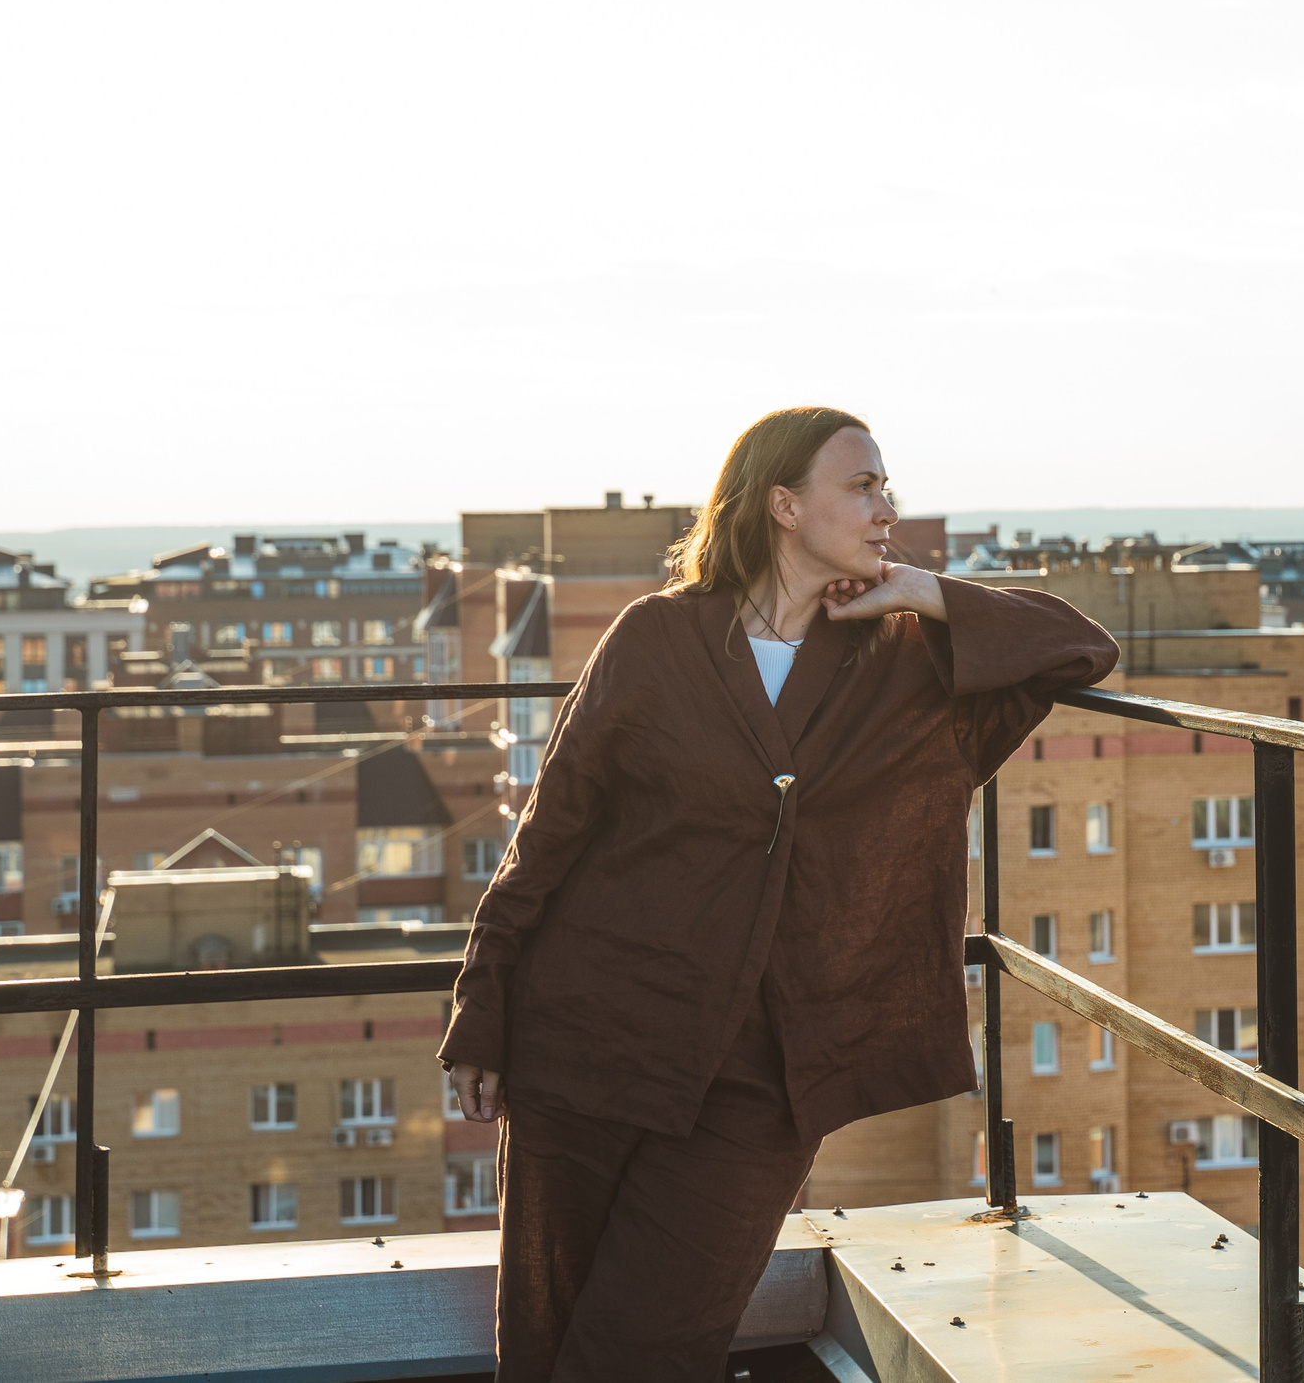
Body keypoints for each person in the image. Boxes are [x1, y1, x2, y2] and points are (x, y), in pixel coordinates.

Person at [438, 406, 1119, 1381]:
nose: (889, 506)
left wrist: (920, 591)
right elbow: (550, 837)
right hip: (591, 1038)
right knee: (546, 1337)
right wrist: (483, 1009)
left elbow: (1077, 647)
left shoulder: (910, 671)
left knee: (649, 1345)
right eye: (864, 485)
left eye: (887, 487)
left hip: (769, 1079)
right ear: (785, 505)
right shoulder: (657, 640)